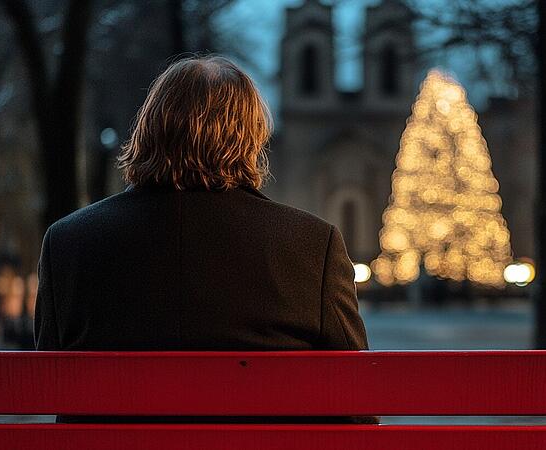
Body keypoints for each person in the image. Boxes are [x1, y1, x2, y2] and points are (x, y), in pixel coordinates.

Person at [34, 55, 372, 423]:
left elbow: (47, 382)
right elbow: (355, 406)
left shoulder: (67, 243)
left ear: (149, 130)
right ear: (252, 138)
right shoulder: (313, 247)